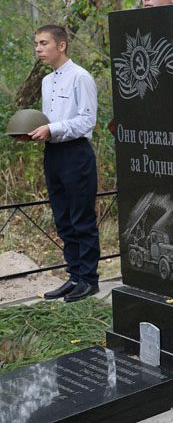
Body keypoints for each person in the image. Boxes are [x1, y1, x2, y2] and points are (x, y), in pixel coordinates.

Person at [30, 25, 101, 303]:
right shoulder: (47, 82)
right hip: (53, 154)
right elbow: (49, 121)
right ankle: (74, 277)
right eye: (36, 43)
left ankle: (89, 280)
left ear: (61, 46)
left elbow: (87, 120)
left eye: (44, 43)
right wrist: (36, 132)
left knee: (81, 217)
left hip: (76, 154)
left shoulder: (80, 77)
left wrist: (53, 129)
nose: (38, 48)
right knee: (63, 218)